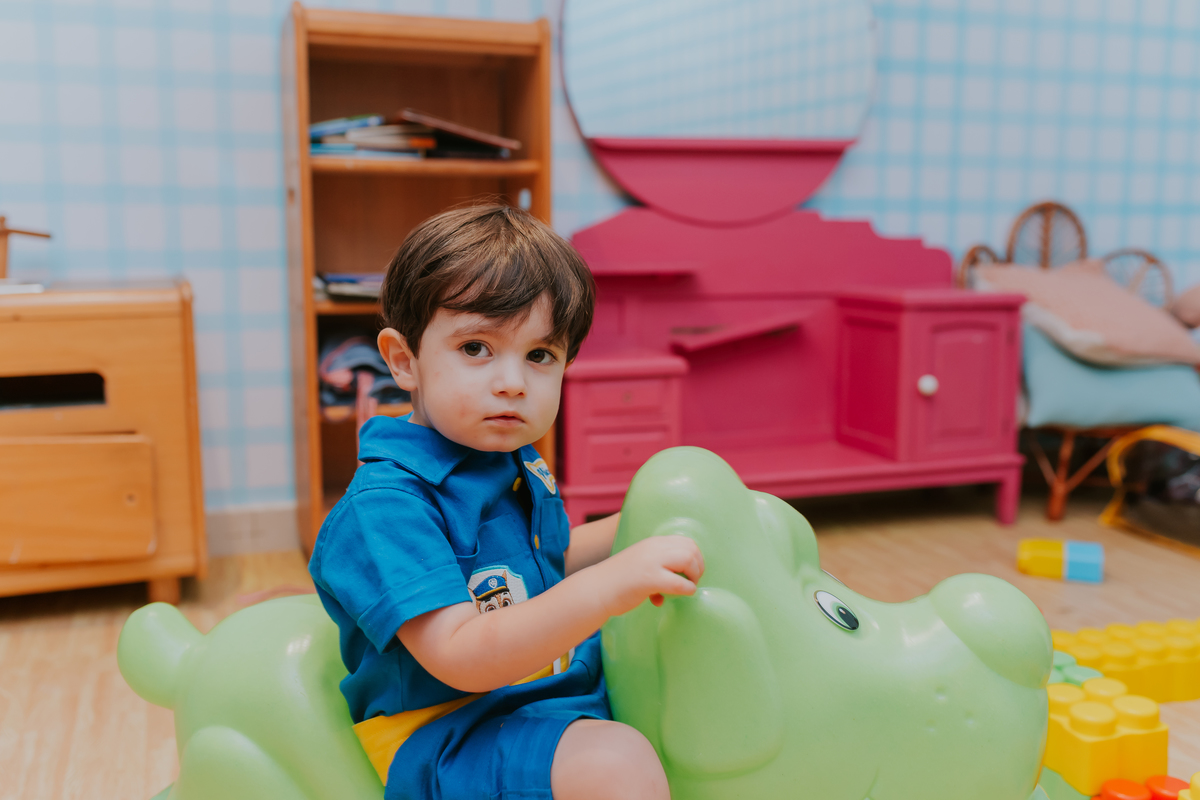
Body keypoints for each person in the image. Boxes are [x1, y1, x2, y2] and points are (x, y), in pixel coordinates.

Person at [308, 204, 705, 800]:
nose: (513, 382)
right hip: (447, 729)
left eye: (540, 355)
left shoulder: (508, 461)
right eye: (475, 348)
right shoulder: (387, 508)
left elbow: (547, 564)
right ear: (403, 360)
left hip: (547, 687)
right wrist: (607, 587)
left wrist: (651, 527)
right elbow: (461, 656)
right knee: (615, 765)